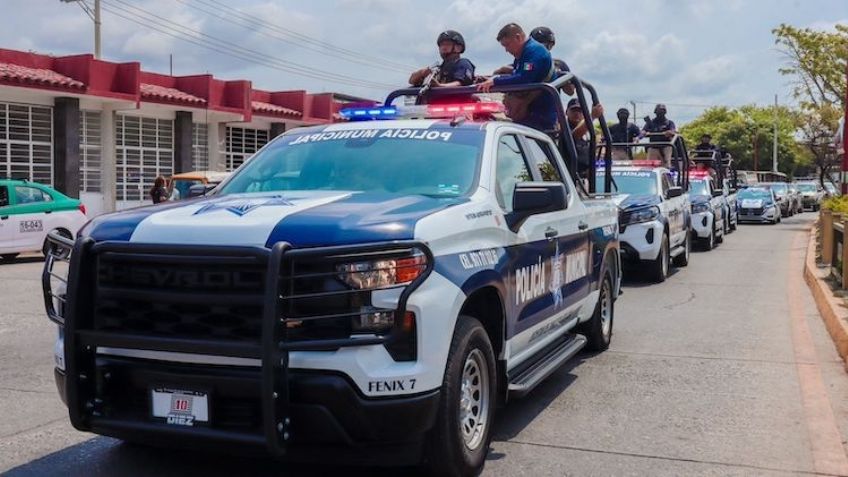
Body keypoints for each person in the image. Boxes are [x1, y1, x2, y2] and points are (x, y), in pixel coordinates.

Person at [478, 23, 557, 132]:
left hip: (540, 117)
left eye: (507, 45)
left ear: (518, 37)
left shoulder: (535, 51)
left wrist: (495, 82)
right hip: (528, 115)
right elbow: (516, 74)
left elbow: (524, 79)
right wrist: (492, 78)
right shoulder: (522, 54)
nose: (506, 50)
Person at [492, 26, 575, 95]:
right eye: (538, 43)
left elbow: (570, 91)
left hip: (546, 103)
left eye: (547, 45)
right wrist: (505, 72)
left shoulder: (560, 64)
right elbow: (520, 75)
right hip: (524, 105)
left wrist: (559, 77)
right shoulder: (521, 60)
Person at [409, 30, 476, 90]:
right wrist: (422, 73)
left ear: (458, 48)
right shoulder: (438, 68)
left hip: (458, 102)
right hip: (436, 102)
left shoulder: (463, 63)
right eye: (441, 45)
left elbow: (459, 83)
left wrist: (439, 86)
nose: (443, 48)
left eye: (447, 44)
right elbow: (411, 81)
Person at [565, 98, 604, 177]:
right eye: (573, 110)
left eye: (580, 111)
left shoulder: (589, 132)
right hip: (571, 178)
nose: (577, 113)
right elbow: (574, 135)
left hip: (586, 178)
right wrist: (592, 116)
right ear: (566, 112)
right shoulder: (565, 128)